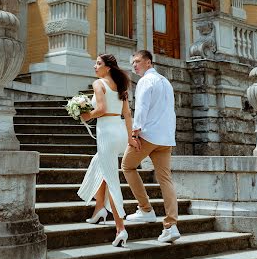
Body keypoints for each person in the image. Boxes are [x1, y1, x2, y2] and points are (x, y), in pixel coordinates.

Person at [121, 50, 180, 244]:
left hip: (148, 135)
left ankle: (145, 208)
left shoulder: (146, 81)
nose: (134, 66)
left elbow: (142, 108)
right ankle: (171, 226)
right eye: (133, 63)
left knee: (127, 166)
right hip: (165, 137)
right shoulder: (165, 81)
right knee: (165, 179)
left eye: (137, 61)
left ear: (148, 62)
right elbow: (169, 110)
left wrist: (134, 133)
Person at [77, 53, 135, 247]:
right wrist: (131, 138)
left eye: (98, 63)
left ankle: (121, 229)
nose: (95, 66)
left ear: (108, 67)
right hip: (119, 132)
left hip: (107, 133)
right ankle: (99, 209)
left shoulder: (99, 83)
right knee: (98, 164)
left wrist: (86, 116)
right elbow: (127, 114)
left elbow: (100, 109)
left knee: (112, 180)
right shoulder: (121, 85)